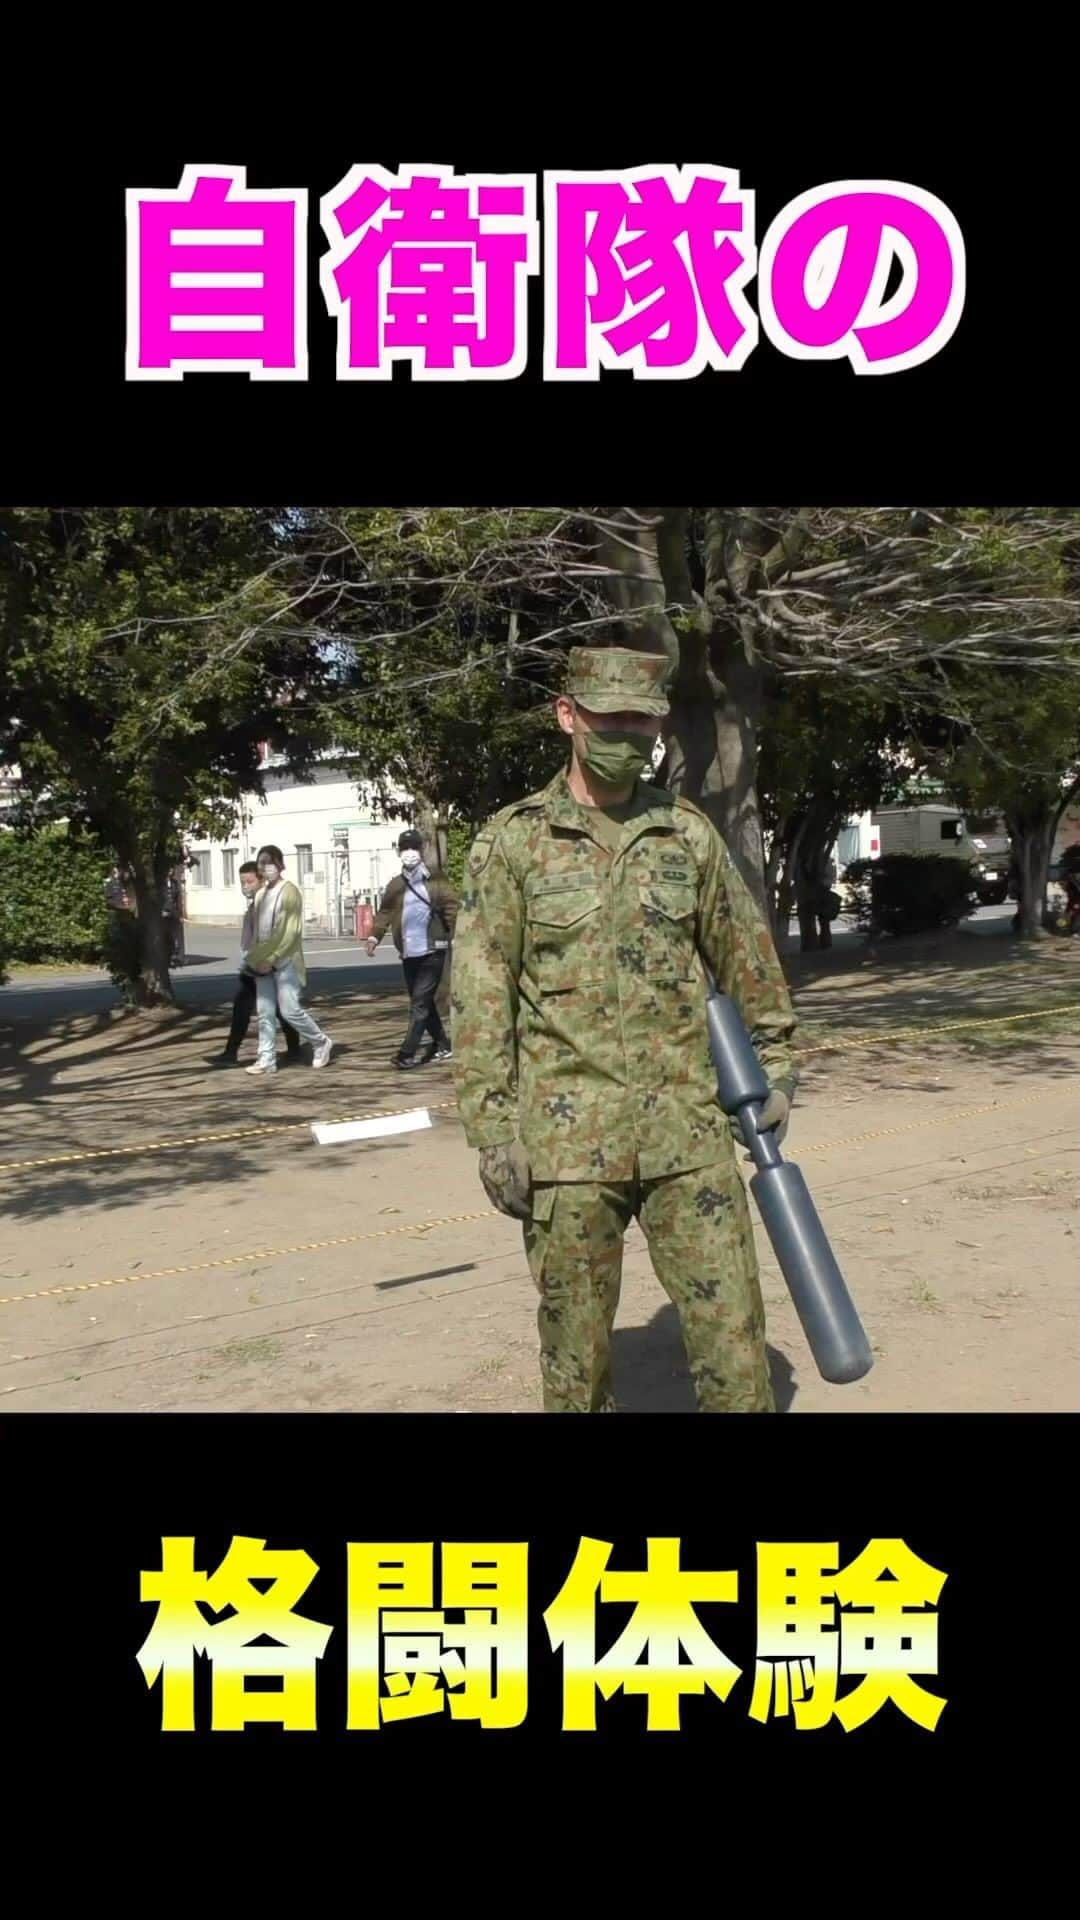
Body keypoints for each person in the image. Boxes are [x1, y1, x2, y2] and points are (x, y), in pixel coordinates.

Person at [451, 646, 799, 1415]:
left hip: (689, 1134)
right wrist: (493, 1131)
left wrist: (776, 1069)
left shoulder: (687, 834)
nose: (628, 735)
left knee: (734, 1340)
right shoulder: (515, 842)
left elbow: (747, 960)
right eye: (611, 719)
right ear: (569, 716)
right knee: (575, 1359)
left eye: (642, 721)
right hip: (567, 1148)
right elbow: (479, 998)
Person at [367, 830, 458, 1070]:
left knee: (419, 1004)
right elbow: (385, 913)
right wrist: (374, 937)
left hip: (433, 950)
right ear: (399, 852)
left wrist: (456, 937)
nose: (409, 852)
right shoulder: (396, 885)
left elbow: (452, 908)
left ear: (421, 850)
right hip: (409, 952)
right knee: (423, 1003)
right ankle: (444, 1045)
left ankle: (406, 1053)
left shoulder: (435, 879)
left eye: (413, 847)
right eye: (405, 847)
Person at [244, 845, 333, 1075]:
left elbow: (290, 931)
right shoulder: (261, 893)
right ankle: (266, 1059)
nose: (266, 867)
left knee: (289, 1010)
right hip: (261, 962)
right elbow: (257, 930)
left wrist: (272, 958)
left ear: (280, 864)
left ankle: (320, 1041)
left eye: (270, 862)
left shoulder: (290, 891)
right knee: (264, 1012)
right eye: (262, 863)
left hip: (285, 962)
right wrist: (254, 958)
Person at [212, 860, 302, 1068]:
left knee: (279, 1009)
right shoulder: (256, 904)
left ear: (262, 880)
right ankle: (232, 1052)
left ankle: (298, 1047)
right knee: (247, 1007)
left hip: (268, 965)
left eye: (249, 881)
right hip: (253, 965)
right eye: (242, 882)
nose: (245, 886)